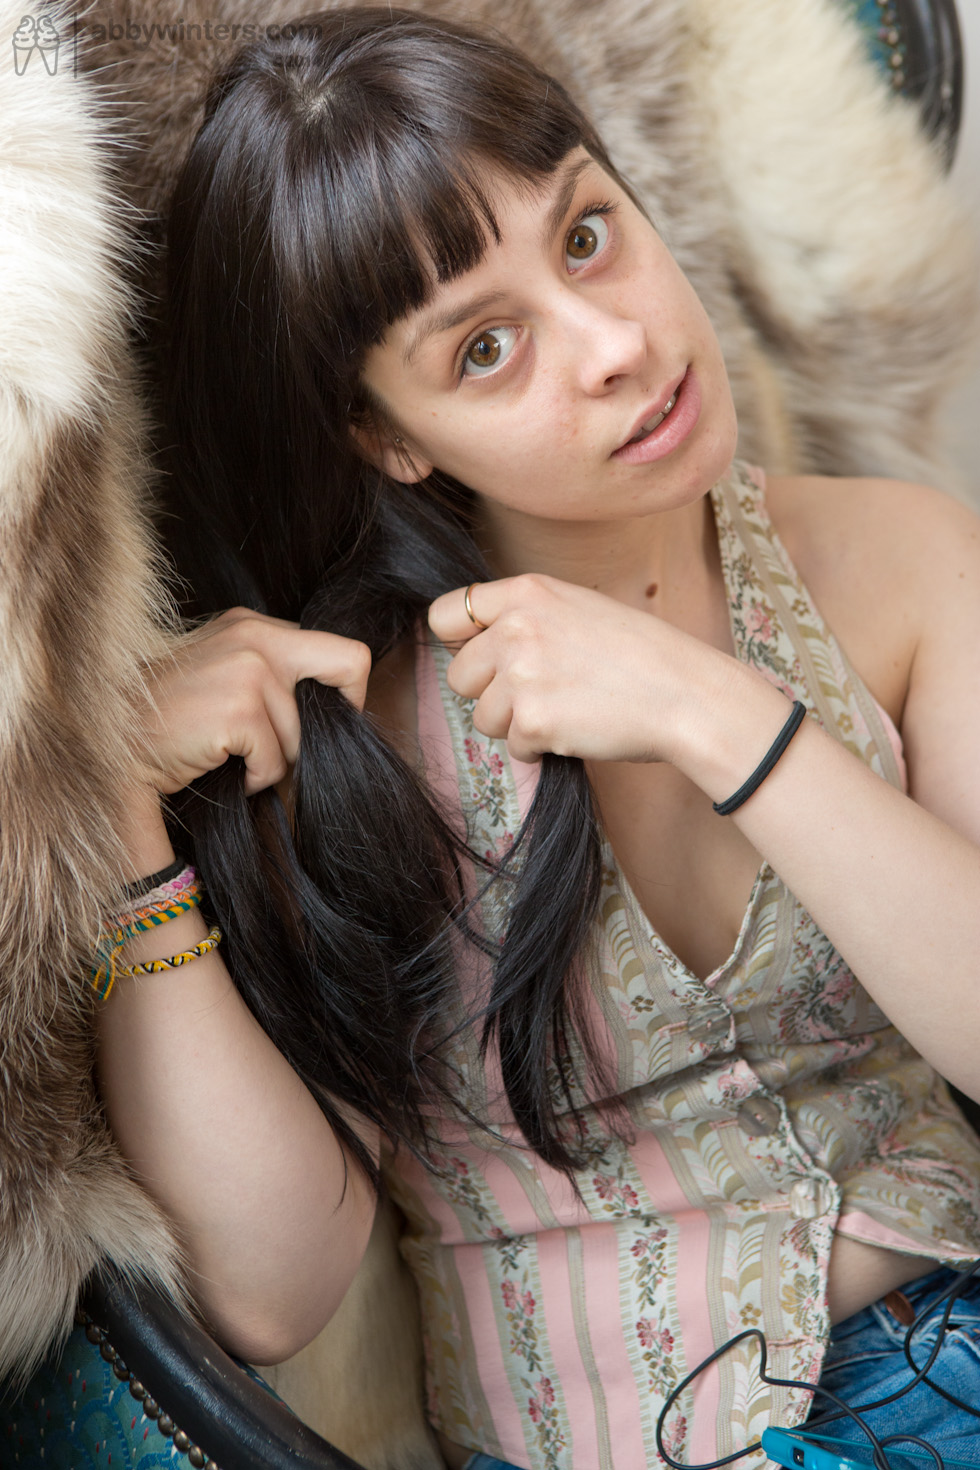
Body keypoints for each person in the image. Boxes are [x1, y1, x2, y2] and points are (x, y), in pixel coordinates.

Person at [95, 7, 980, 1467]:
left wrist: (714, 712)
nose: (620, 345)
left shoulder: (902, 565)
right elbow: (272, 1288)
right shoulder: (342, 733)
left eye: (585, 234)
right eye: (487, 348)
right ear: (386, 435)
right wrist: (120, 820)